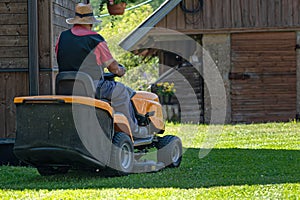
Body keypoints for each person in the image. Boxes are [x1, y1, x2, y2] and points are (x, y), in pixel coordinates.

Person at [55, 3, 148, 138]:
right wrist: (121, 70)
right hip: (91, 86)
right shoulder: (95, 39)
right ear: (91, 23)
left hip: (66, 87)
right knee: (121, 91)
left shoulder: (62, 37)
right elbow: (113, 67)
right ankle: (133, 131)